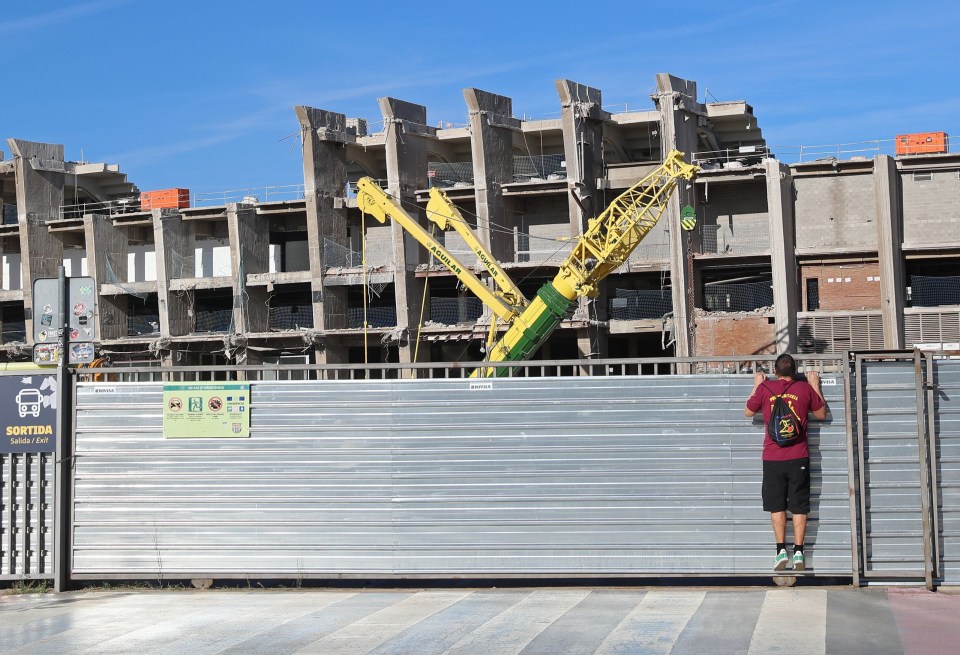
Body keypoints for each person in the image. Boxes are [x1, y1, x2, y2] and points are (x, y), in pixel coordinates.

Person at [745, 353, 826, 572]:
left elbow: (748, 411)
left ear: (775, 371)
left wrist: (756, 385)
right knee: (799, 505)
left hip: (772, 457)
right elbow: (820, 414)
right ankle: (799, 552)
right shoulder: (804, 389)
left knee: (777, 505)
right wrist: (815, 384)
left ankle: (780, 549)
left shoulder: (765, 389)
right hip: (799, 456)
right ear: (795, 371)